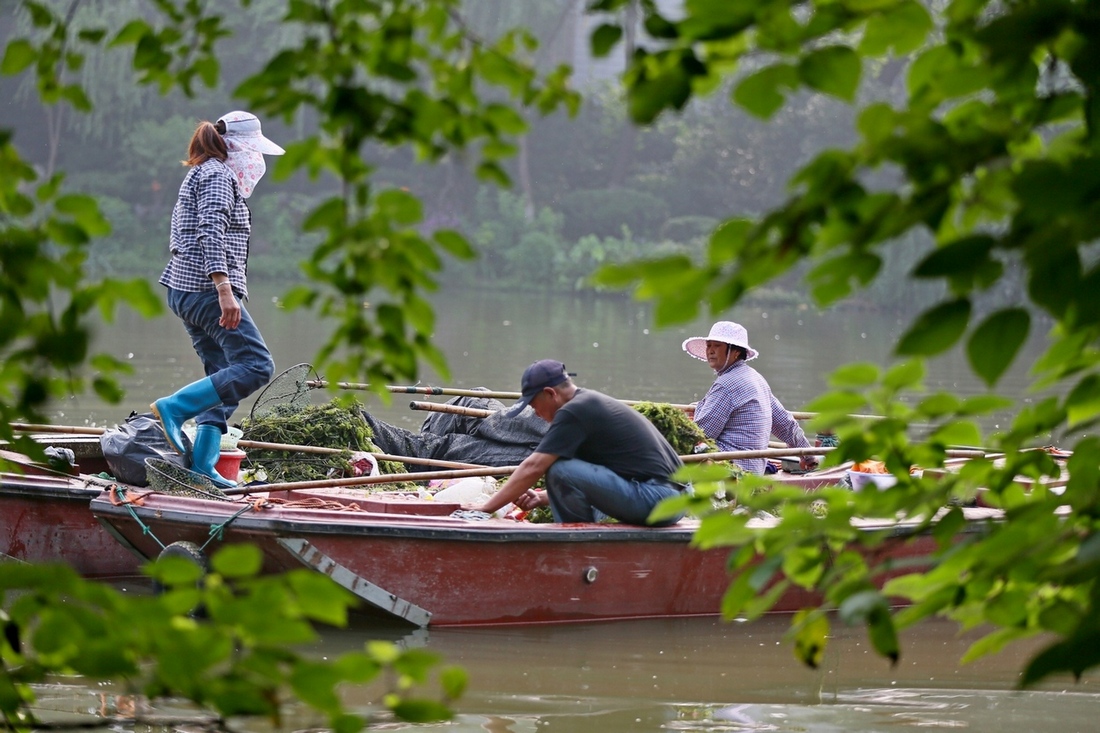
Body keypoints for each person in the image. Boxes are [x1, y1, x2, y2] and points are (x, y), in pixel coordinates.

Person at [150, 111, 283, 489]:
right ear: (238, 147)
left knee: (224, 375)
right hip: (206, 290)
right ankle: (173, 408)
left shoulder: (207, 172)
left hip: (191, 289)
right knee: (256, 365)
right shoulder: (218, 176)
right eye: (254, 151)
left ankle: (203, 466)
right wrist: (223, 288)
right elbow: (210, 230)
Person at [471, 360, 687, 525]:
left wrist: (485, 508)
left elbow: (534, 466)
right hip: (673, 499)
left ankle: (576, 544)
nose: (535, 414)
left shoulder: (574, 411)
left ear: (550, 393)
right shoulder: (587, 403)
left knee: (559, 468)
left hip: (660, 500)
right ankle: (581, 535)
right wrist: (540, 497)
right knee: (564, 469)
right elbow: (599, 479)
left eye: (534, 405)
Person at [682, 321, 816, 475]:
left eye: (717, 346)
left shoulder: (726, 385)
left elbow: (702, 435)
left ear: (735, 352)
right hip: (754, 470)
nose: (710, 351)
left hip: (732, 471)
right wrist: (808, 454)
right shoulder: (756, 378)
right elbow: (786, 424)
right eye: (709, 345)